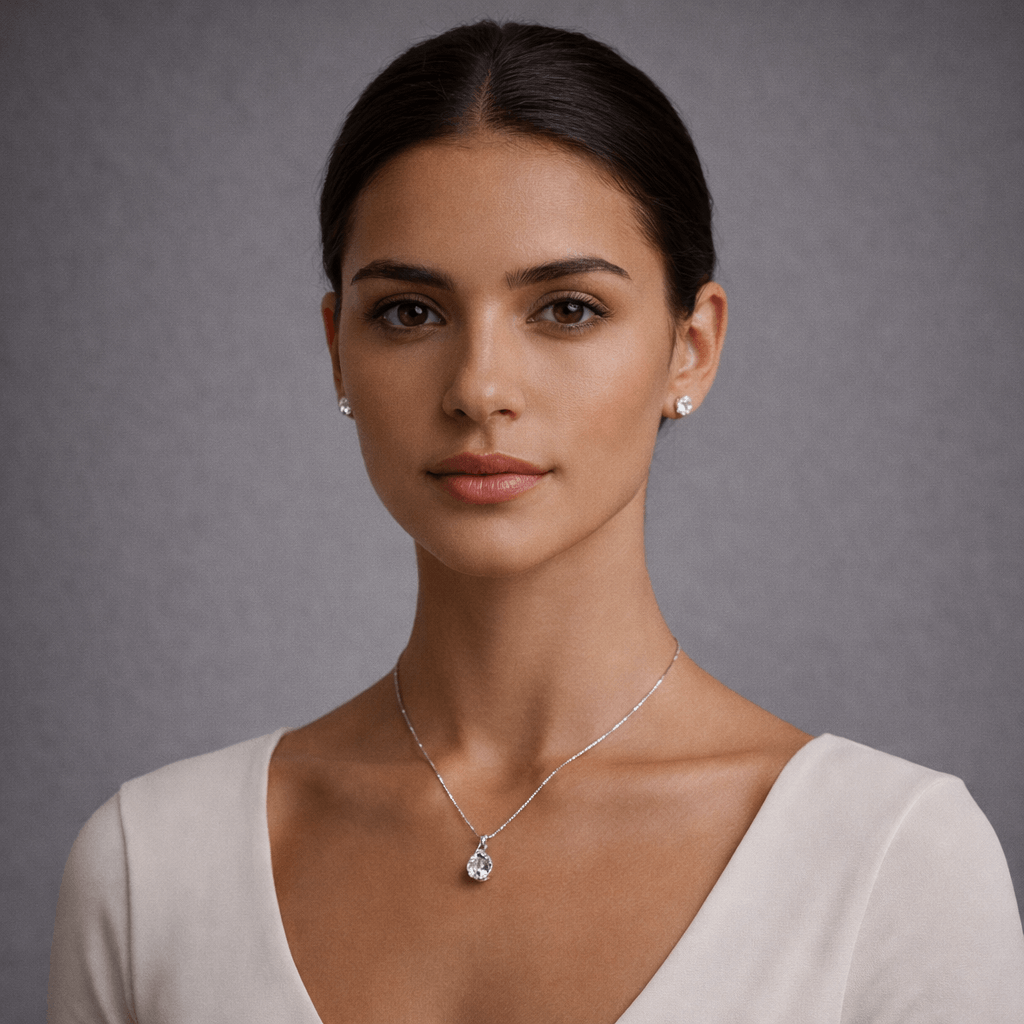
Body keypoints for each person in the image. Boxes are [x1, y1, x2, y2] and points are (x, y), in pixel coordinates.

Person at [48, 20, 1024, 1023]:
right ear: (338, 349)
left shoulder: (890, 864)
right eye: (410, 312)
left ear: (690, 348)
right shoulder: (149, 869)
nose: (479, 388)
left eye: (564, 308)